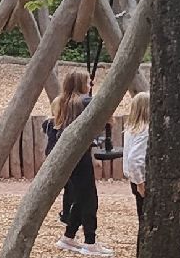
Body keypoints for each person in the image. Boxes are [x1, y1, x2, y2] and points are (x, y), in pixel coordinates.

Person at [46, 72, 112, 257]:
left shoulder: (64, 101)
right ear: (80, 83)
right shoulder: (84, 102)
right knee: (89, 198)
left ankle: (68, 236)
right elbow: (103, 108)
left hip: (68, 156)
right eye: (87, 81)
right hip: (79, 157)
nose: (90, 84)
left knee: (80, 197)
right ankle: (90, 242)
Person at [120, 92, 152, 225]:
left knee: (142, 216)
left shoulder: (131, 129)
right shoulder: (145, 131)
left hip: (134, 179)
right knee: (147, 219)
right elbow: (134, 158)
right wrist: (140, 183)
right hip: (143, 180)